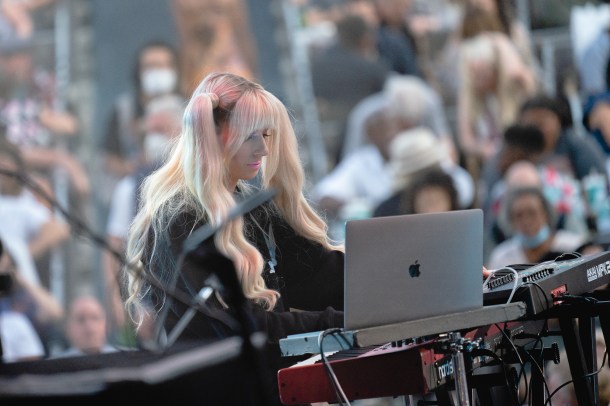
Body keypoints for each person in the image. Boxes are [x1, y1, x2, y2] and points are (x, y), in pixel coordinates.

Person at [123, 72, 344, 402]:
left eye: (266, 135)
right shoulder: (179, 219)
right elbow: (235, 325)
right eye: (251, 136)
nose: (264, 149)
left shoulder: (253, 208)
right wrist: (342, 323)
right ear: (213, 134)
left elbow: (319, 275)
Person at [487, 186, 588, 270]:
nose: (526, 221)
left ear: (545, 214)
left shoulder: (573, 247)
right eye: (519, 215)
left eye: (532, 213)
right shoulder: (501, 259)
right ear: (511, 220)